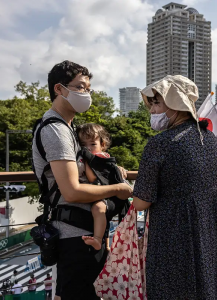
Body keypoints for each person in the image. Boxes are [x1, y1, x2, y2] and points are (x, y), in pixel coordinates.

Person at [32, 60, 132, 300]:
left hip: (83, 232)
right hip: (75, 236)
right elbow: (72, 191)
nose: (86, 94)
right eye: (79, 87)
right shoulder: (55, 130)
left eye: (88, 88)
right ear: (59, 89)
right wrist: (118, 187)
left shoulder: (68, 128)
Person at [131, 75, 217, 299]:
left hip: (173, 232)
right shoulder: (209, 138)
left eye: (157, 103)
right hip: (208, 229)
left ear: (175, 104)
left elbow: (140, 202)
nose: (152, 110)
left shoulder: (160, 144)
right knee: (206, 286)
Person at [77, 123, 112, 251]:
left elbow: (92, 178)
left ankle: (98, 239)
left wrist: (86, 162)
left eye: (92, 144)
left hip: (101, 192)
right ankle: (106, 244)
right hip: (96, 192)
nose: (88, 148)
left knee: (99, 209)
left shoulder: (100, 158)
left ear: (102, 145)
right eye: (83, 145)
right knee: (103, 217)